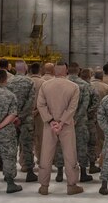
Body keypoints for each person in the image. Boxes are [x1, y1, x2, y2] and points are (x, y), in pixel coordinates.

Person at [35, 62, 83, 195]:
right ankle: (71, 185)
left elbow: (41, 105)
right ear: (66, 71)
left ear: (54, 71)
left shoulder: (45, 85)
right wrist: (61, 123)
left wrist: (51, 121)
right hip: (66, 125)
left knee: (46, 154)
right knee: (70, 155)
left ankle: (44, 186)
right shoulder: (74, 87)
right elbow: (72, 108)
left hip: (49, 125)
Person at [7, 60, 37, 181]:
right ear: (25, 69)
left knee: (10, 146)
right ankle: (29, 172)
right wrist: (22, 116)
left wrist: (13, 116)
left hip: (10, 119)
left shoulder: (9, 82)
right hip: (26, 120)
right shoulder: (30, 82)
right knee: (27, 146)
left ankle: (10, 173)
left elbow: (7, 101)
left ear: (15, 68)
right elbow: (30, 102)